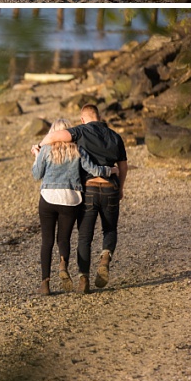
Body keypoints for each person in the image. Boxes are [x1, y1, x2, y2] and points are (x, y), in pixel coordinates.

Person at [37, 104, 128, 293]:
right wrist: (120, 187)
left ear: (83, 119)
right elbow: (123, 166)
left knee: (84, 236)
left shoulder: (80, 131)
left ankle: (83, 280)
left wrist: (39, 149)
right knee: (109, 229)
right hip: (110, 187)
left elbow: (54, 138)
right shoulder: (115, 137)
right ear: (99, 116)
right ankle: (105, 258)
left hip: (89, 189)